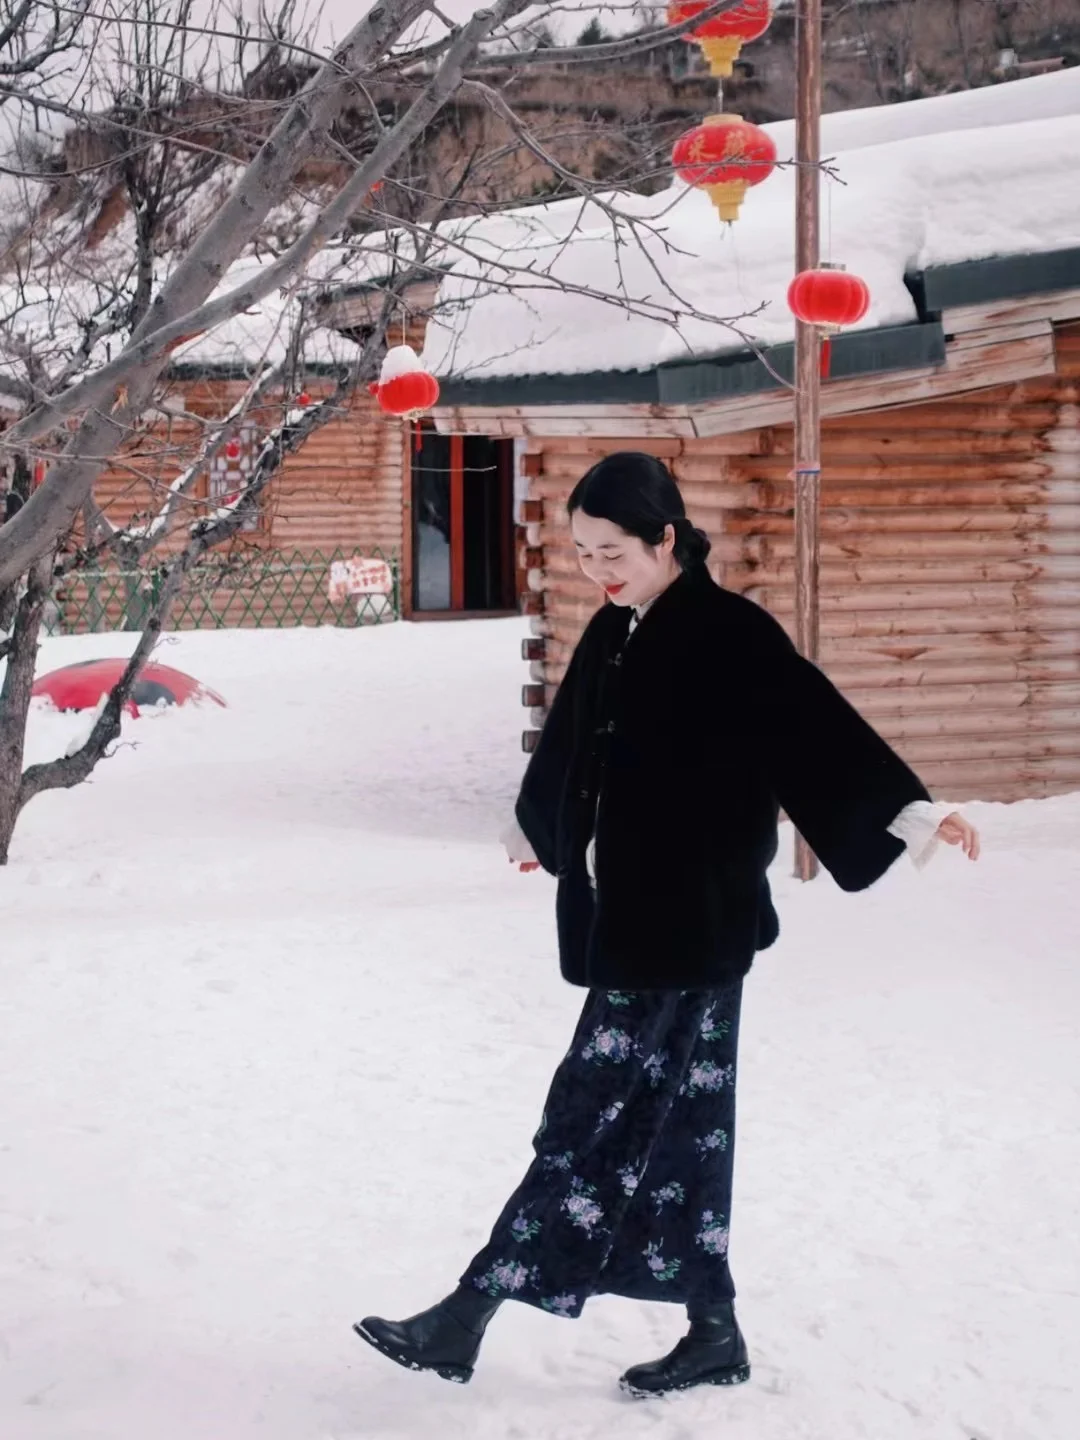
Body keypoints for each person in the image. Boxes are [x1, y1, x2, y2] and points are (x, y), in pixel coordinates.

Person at [355, 451, 981, 1398]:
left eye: (612, 552)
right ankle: (713, 1332)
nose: (596, 571)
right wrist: (542, 829)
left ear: (666, 538)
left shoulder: (731, 634)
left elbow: (814, 729)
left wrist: (911, 813)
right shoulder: (616, 631)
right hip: (648, 929)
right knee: (687, 1132)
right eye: (582, 553)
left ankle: (464, 1314)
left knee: (584, 1119)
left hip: (689, 927)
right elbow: (572, 741)